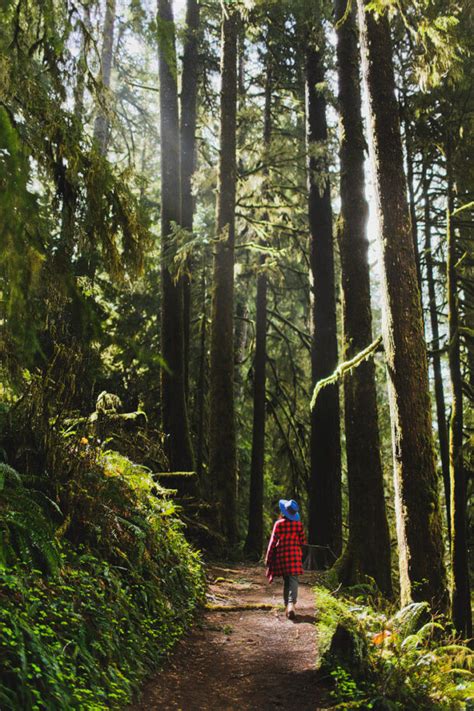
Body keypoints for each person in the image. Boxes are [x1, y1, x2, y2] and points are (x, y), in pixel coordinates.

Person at [265, 499, 307, 620]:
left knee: (287, 581)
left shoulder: (278, 524)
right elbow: (302, 541)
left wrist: (268, 557)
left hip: (282, 556)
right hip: (294, 555)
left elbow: (272, 542)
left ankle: (287, 605)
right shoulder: (298, 525)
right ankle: (291, 605)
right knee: (293, 580)